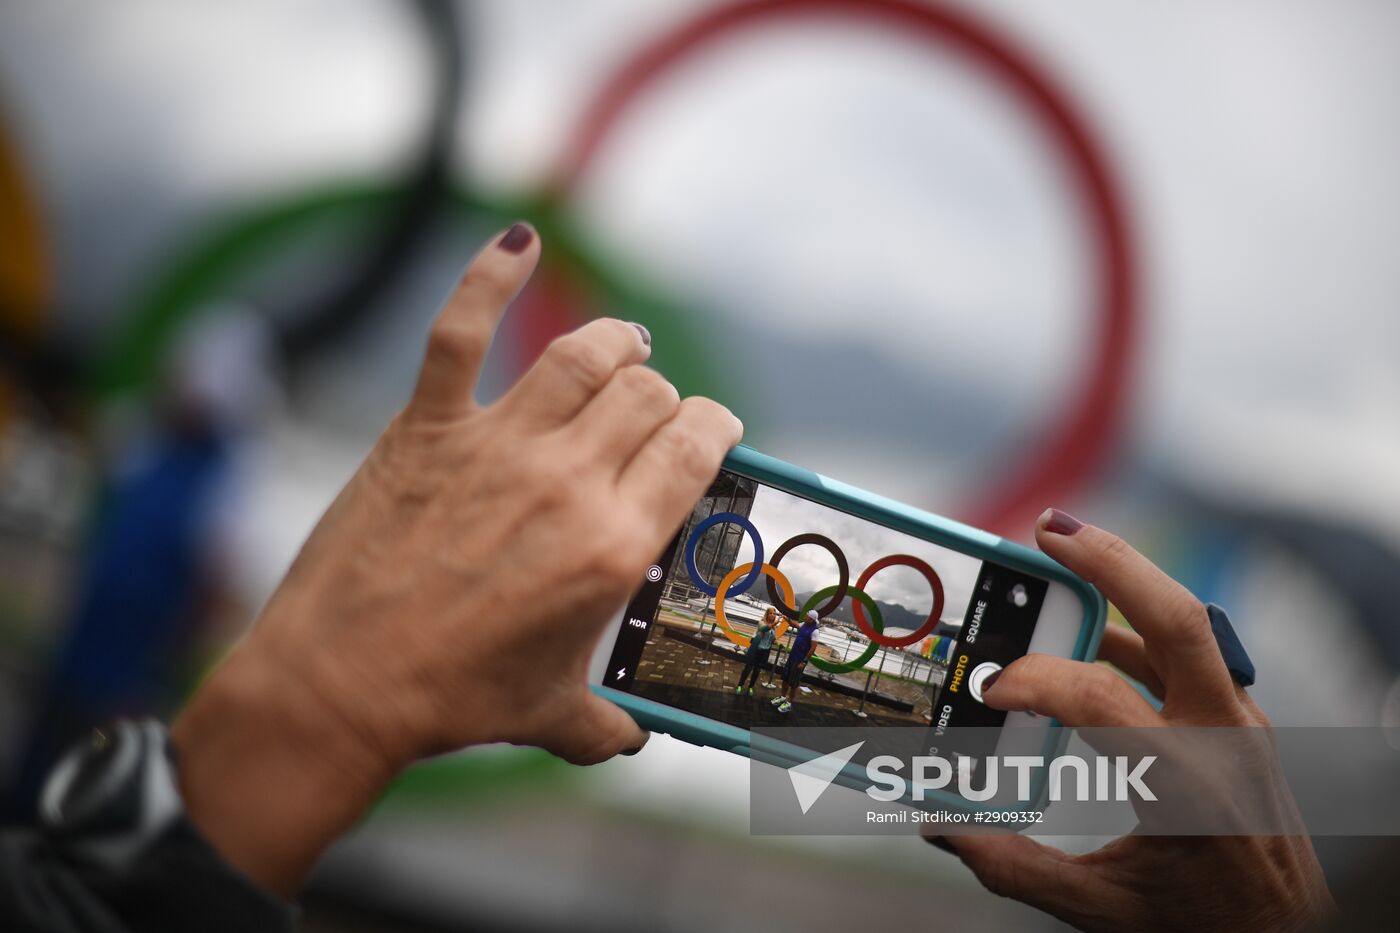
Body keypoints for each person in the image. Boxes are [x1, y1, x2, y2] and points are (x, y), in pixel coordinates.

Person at [0, 225, 1338, 931]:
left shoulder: (162, 468)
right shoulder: (177, 478)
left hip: (105, 694)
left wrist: (309, 702)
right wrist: (316, 708)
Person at [772, 609, 820, 714]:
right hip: (792, 656)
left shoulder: (815, 631)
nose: (805, 617)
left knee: (793, 683)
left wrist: (804, 661)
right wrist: (787, 619)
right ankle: (783, 697)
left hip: (799, 660)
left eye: (807, 616)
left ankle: (789, 703)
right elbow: (796, 624)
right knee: (785, 678)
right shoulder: (804, 624)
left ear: (811, 619)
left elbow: (813, 648)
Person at [736, 607, 778, 695]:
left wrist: (775, 641)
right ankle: (740, 685)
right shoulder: (761, 622)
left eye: (774, 614)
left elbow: (772, 638)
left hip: (765, 651)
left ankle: (751, 686)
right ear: (767, 614)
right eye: (770, 613)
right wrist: (774, 624)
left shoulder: (774, 628)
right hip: (756, 649)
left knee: (757, 670)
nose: (773, 615)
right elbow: (764, 629)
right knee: (748, 668)